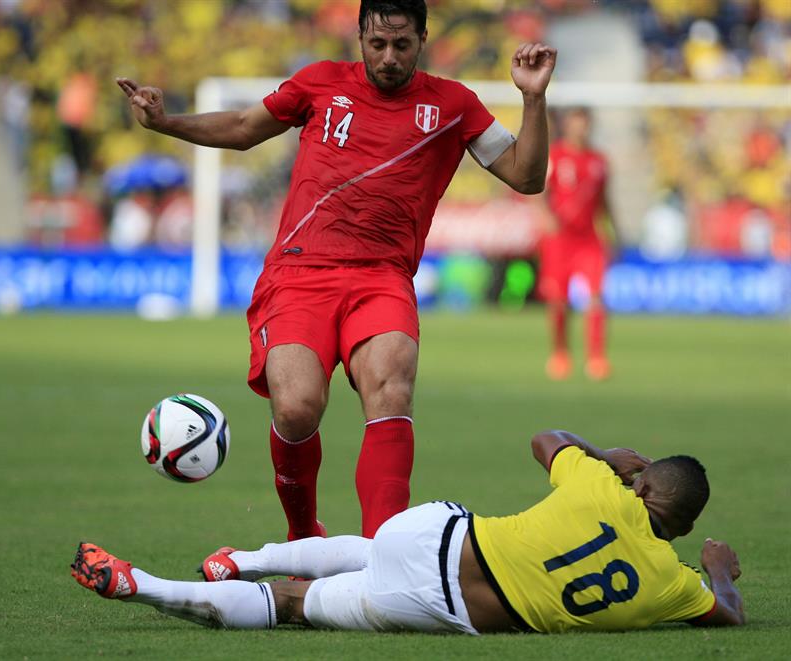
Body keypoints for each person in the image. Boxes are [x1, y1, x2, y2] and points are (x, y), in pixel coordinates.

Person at [116, 0, 557, 538]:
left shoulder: (454, 105)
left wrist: (533, 99)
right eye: (378, 45)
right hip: (300, 273)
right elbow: (241, 126)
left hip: (382, 277)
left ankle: (384, 554)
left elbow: (526, 177)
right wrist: (165, 122)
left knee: (391, 389)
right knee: (297, 408)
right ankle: (304, 536)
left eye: (402, 45)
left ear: (423, 38)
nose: (390, 57)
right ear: (359, 38)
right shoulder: (320, 83)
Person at [71, 429, 745, 634]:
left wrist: (607, 456)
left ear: (644, 484)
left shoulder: (600, 483)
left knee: (368, 548)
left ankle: (245, 555)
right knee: (290, 607)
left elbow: (545, 439)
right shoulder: (671, 585)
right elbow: (727, 615)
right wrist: (718, 567)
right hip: (441, 609)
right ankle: (145, 586)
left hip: (434, 535)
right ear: (682, 527)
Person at [533, 107, 618, 381]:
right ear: (568, 126)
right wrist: (546, 217)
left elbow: (606, 201)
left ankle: (597, 358)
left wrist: (613, 232)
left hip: (589, 238)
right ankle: (560, 353)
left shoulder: (599, 161)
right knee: (558, 301)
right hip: (560, 239)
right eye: (575, 123)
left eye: (584, 123)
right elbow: (537, 190)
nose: (580, 129)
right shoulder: (555, 156)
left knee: (595, 298)